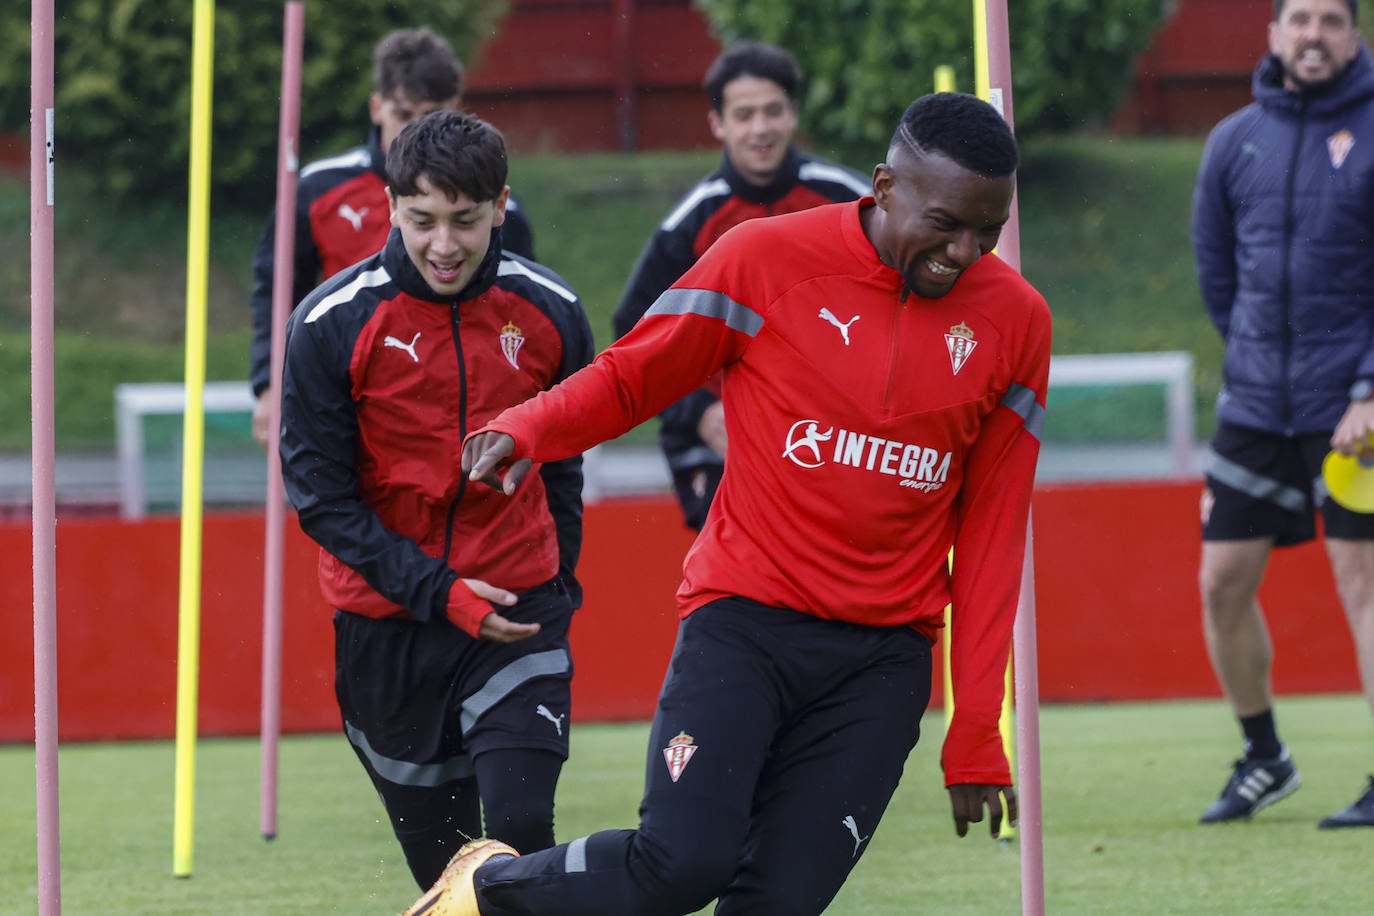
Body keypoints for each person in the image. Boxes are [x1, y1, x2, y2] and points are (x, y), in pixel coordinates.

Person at [412, 91, 1051, 916]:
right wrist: (528, 425)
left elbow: (994, 537)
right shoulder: (762, 258)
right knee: (679, 866)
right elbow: (635, 372)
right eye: (945, 223)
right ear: (886, 186)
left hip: (881, 666)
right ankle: (484, 891)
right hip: (744, 627)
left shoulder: (1017, 323)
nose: (963, 251)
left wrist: (976, 734)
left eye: (987, 231)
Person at [278, 110, 594, 889]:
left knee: (520, 836)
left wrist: (563, 585)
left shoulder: (553, 311)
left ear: (501, 206)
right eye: (422, 221)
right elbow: (321, 501)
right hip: (388, 627)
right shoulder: (327, 324)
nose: (444, 244)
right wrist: (441, 593)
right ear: (390, 206)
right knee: (450, 879)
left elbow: (565, 468)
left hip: (520, 610)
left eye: (466, 220)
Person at [1193, 0, 1374, 829]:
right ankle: (1266, 757)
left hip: (1357, 409)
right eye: (1298, 18)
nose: (1314, 34)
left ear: (1355, 35)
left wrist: (1368, 385)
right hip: (1259, 404)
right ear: (1273, 35)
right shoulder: (1234, 141)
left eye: (1332, 20)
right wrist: (1258, 358)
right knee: (1221, 584)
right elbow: (1217, 269)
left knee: (1363, 584)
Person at [611, 40, 869, 530]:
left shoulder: (850, 201)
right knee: (739, 589)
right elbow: (633, 329)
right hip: (723, 441)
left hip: (834, 436)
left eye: (773, 111)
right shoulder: (690, 225)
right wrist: (698, 410)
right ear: (718, 123)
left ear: (793, 114)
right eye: (744, 114)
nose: (760, 129)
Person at [250, 26, 536, 448]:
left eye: (429, 113)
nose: (415, 130)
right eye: (403, 115)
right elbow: (277, 290)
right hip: (346, 393)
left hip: (454, 404)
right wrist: (269, 384)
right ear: (376, 108)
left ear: (455, 109)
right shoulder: (316, 190)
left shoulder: (496, 212)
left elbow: (515, 311)